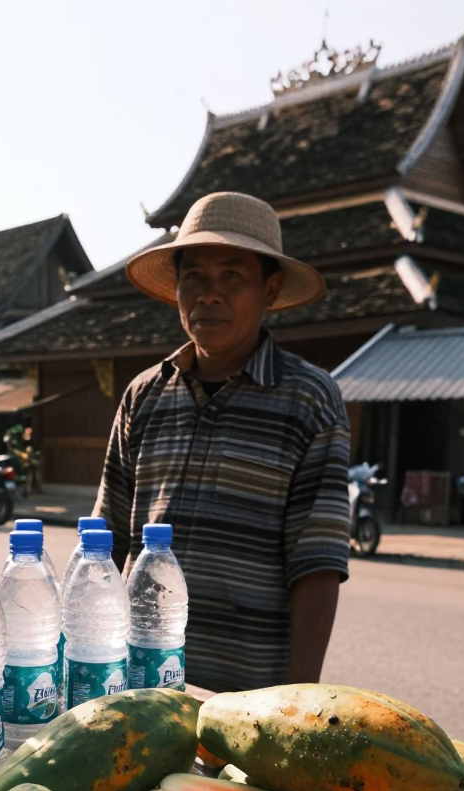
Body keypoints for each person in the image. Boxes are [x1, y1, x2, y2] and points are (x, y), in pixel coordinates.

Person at [94, 191, 350, 694]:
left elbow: (317, 565)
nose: (209, 295)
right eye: (195, 277)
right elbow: (105, 543)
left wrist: (296, 702)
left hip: (248, 692)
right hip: (134, 683)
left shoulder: (308, 400)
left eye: (232, 276)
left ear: (270, 290)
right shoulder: (144, 395)